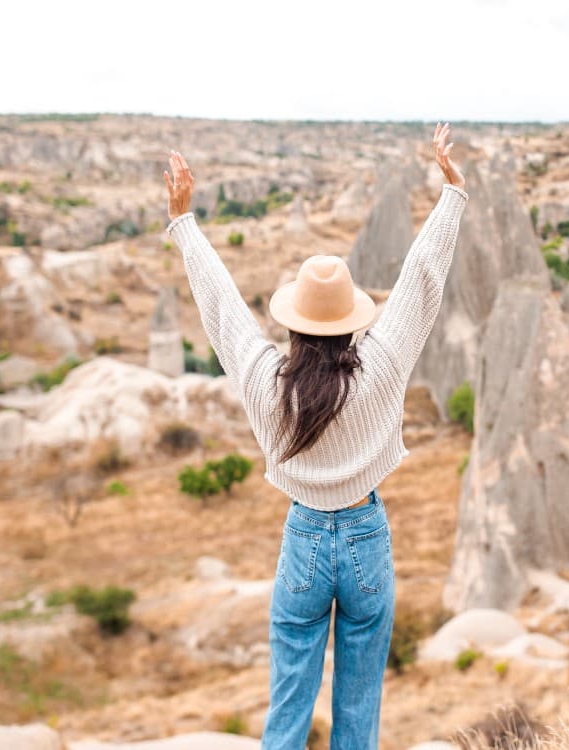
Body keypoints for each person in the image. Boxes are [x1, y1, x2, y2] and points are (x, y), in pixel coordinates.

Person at [161, 123, 468, 749]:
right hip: (365, 539)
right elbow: (420, 283)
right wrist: (450, 196)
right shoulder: (380, 366)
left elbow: (222, 309)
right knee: (359, 704)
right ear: (351, 323)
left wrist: (184, 223)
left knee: (288, 702)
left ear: (295, 324)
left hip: (303, 539)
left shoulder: (268, 380)